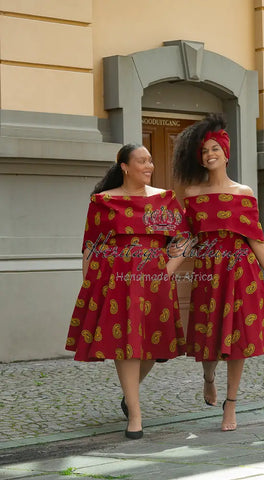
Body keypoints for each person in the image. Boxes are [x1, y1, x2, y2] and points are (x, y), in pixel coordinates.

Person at [66, 143, 188, 439]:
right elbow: (90, 246)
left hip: (155, 280)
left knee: (154, 349)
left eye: (150, 161)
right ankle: (135, 414)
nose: (149, 166)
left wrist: (166, 271)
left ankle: (128, 395)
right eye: (142, 161)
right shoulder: (103, 201)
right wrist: (88, 286)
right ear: (124, 166)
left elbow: (184, 239)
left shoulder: (165, 199)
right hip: (116, 280)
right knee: (127, 345)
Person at [173, 113, 264, 432]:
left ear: (226, 153)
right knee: (210, 339)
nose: (210, 155)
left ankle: (230, 405)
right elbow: (184, 239)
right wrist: (160, 270)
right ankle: (209, 378)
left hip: (242, 273)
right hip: (209, 271)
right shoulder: (192, 194)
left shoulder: (243, 192)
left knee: (237, 341)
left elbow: (256, 239)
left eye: (214, 149)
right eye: (205, 151)